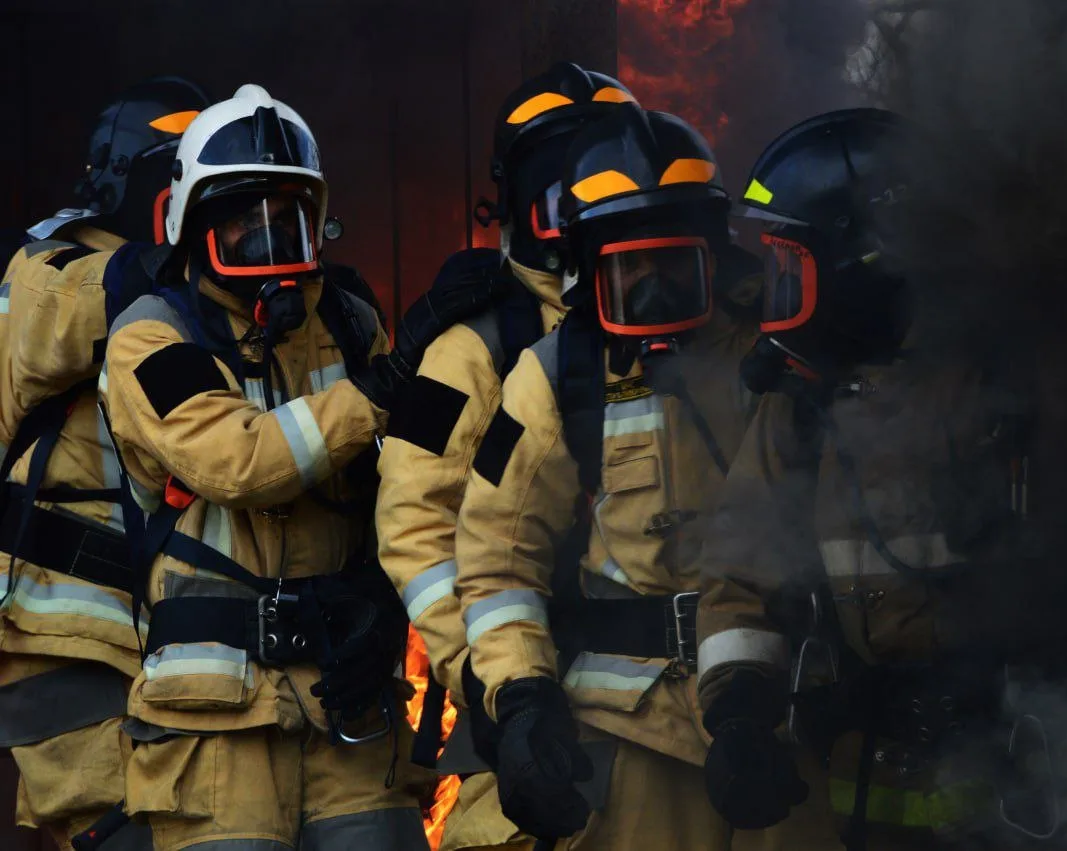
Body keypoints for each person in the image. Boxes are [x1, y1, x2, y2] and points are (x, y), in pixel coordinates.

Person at [694, 109, 1067, 851]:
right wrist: (740, 715)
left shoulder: (1024, 379)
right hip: (875, 791)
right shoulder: (802, 402)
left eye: (794, 269)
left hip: (1051, 790)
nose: (776, 299)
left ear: (865, 267)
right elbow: (740, 574)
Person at [100, 83, 488, 851]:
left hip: (349, 706)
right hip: (216, 728)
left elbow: (409, 473)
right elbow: (239, 460)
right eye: (243, 220)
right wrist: (380, 386)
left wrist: (387, 601)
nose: (269, 236)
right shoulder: (152, 338)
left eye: (288, 216)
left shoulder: (347, 319)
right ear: (192, 225)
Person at [454, 103, 803, 850]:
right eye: (626, 269)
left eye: (672, 263)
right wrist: (522, 695)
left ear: (714, 257)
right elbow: (496, 560)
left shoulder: (777, 352)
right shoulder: (554, 377)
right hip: (634, 730)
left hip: (778, 719)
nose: (651, 287)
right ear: (589, 272)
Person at [375, 63, 639, 851]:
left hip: (652, 715)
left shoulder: (668, 321)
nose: (580, 217)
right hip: (531, 709)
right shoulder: (469, 349)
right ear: (515, 204)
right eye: (559, 198)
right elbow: (412, 526)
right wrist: (491, 682)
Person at [0, 76, 210, 851]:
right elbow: (73, 308)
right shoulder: (47, 267)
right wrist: (184, 262)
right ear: (130, 178)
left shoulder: (197, 289)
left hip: (157, 635)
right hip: (65, 639)